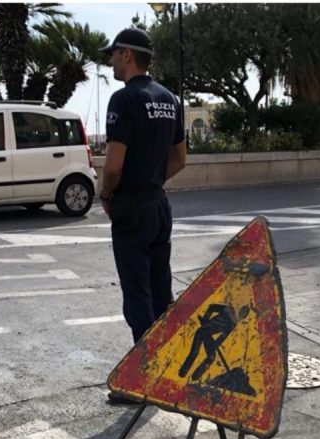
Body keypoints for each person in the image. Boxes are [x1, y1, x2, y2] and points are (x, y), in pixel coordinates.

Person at [97, 27, 186, 405]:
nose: (111, 61)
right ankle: (165, 366)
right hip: (159, 204)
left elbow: (114, 165)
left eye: (113, 54)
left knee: (136, 292)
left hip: (132, 206)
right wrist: (152, 181)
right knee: (160, 287)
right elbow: (180, 159)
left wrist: (107, 194)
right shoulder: (170, 99)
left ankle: (142, 379)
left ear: (128, 55)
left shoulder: (124, 100)